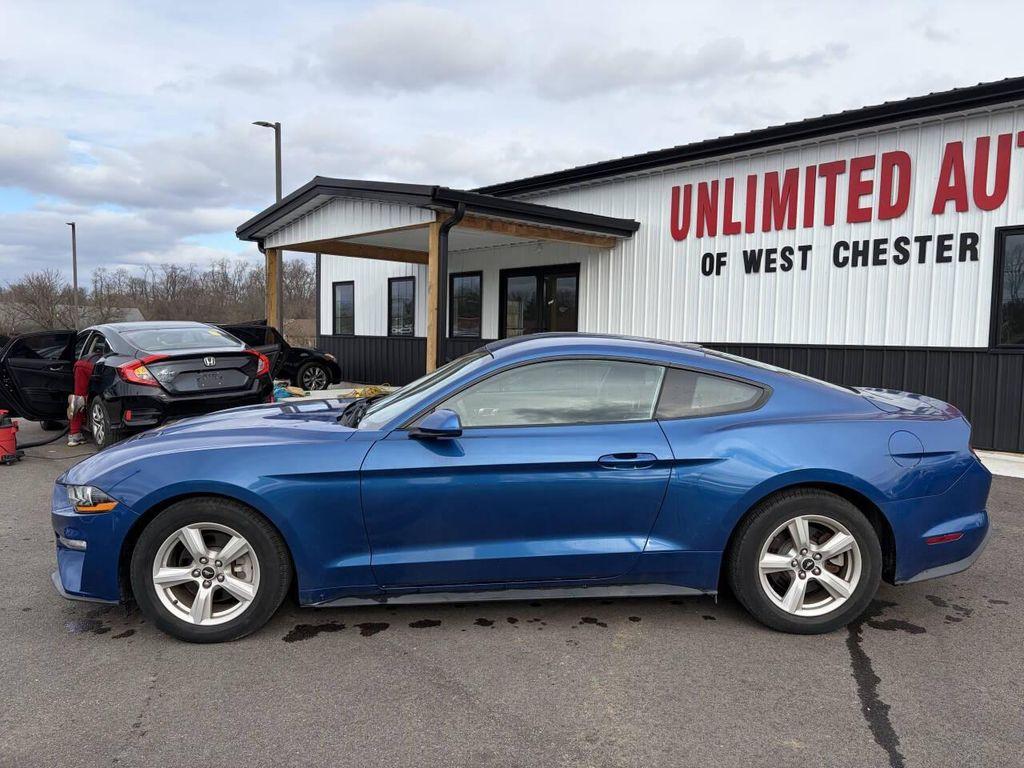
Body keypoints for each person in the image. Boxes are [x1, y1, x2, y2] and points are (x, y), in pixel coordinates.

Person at [66, 351, 98, 446]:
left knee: (77, 399)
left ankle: (74, 434)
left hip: (82, 365)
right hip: (91, 366)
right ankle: (75, 434)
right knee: (78, 400)